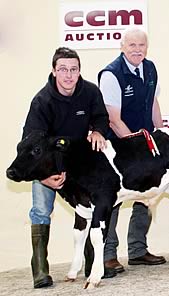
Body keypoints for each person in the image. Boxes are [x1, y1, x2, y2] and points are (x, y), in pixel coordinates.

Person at [22, 47, 109, 288]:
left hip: (81, 164)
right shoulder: (42, 101)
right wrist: (43, 177)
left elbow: (101, 117)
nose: (69, 75)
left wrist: (99, 131)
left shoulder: (90, 91)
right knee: (40, 209)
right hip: (48, 165)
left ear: (79, 71)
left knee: (90, 208)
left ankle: (93, 263)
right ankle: (40, 270)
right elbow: (31, 144)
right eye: (63, 70)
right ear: (53, 71)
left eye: (73, 69)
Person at [98, 27, 166, 277]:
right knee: (112, 200)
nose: (137, 50)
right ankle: (108, 255)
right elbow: (113, 119)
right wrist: (135, 145)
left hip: (143, 141)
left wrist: (161, 133)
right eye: (132, 45)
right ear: (122, 47)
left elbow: (154, 102)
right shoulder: (111, 74)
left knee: (146, 194)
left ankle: (138, 250)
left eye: (141, 45)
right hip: (118, 146)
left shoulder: (150, 68)